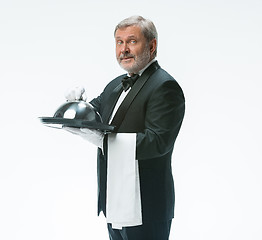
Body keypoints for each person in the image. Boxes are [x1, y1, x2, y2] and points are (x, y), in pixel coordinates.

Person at [65, 15, 185, 240]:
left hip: (146, 206)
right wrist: (77, 105)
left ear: (152, 45)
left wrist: (104, 140)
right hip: (115, 199)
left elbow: (158, 141)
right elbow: (94, 114)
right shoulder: (114, 85)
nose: (124, 49)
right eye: (119, 42)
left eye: (132, 41)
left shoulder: (165, 86)